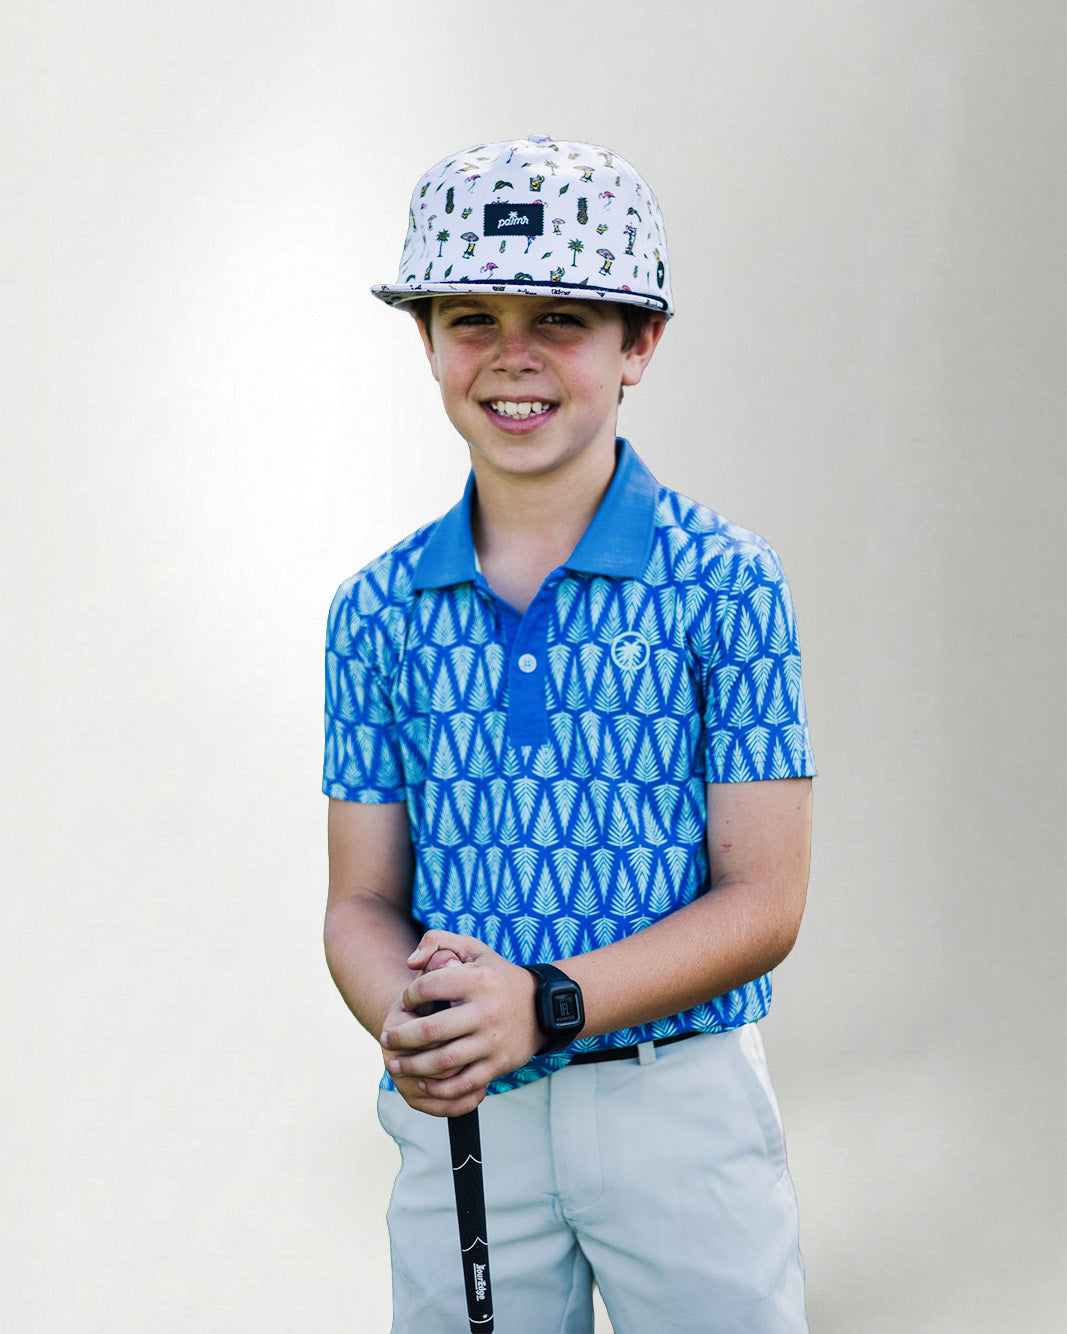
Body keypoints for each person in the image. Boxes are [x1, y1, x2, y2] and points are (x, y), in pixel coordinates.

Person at [323, 135, 816, 1333]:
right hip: (469, 1117)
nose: (512, 357)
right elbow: (359, 902)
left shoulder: (724, 582)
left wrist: (539, 1002)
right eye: (470, 318)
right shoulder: (376, 608)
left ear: (638, 341)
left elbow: (763, 901)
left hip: (676, 1105)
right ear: (426, 340)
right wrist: (421, 1023)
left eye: (561, 317)